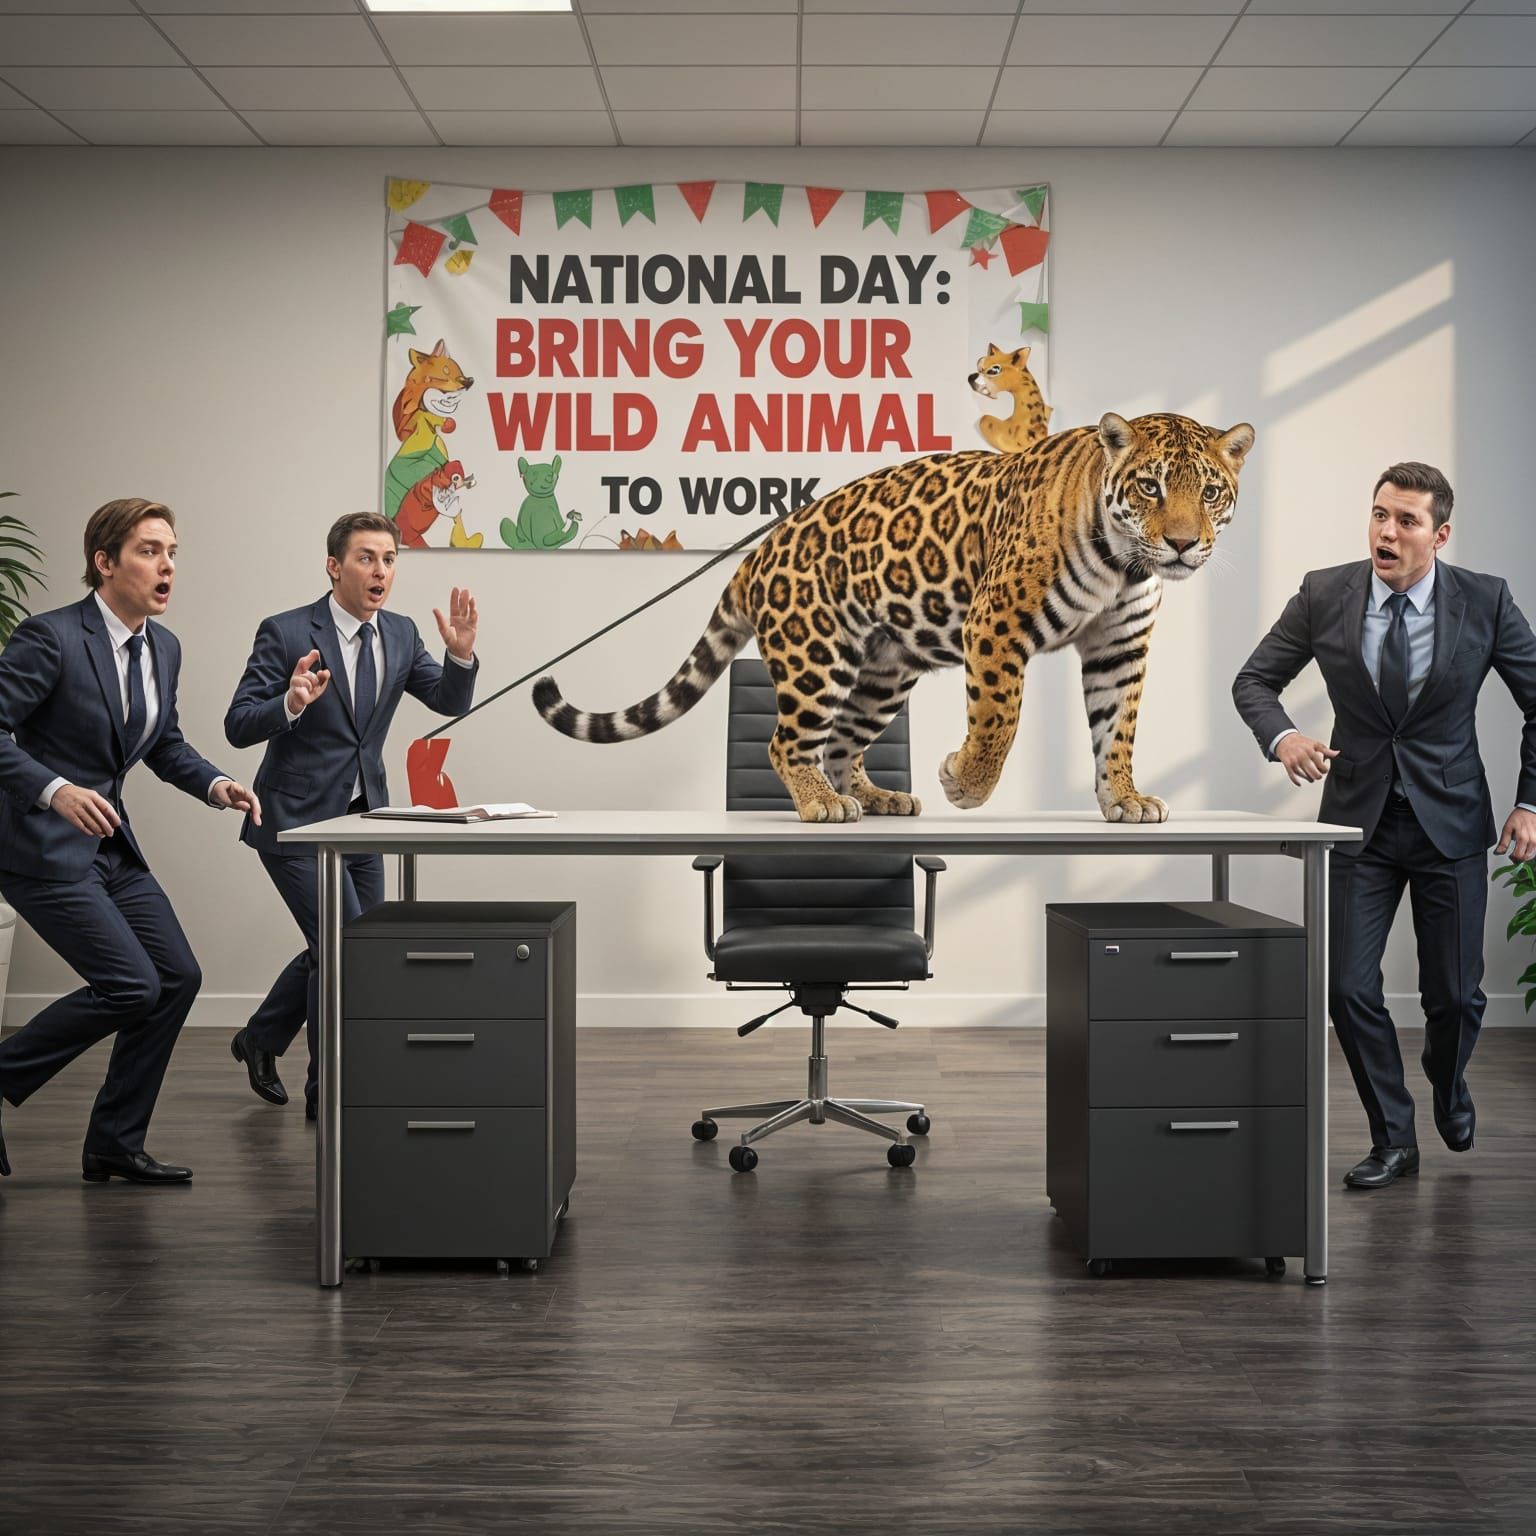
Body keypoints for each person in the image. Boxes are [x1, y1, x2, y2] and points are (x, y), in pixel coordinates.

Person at [1233, 463, 1536, 1189]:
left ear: (1440, 533)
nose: (1386, 532)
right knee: (1347, 988)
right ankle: (1394, 1137)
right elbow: (1254, 680)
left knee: (1456, 997)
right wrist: (1285, 739)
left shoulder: (1485, 602)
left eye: (1405, 521)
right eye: (1378, 515)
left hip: (1452, 823)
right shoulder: (1324, 592)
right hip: (1357, 826)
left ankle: (1448, 1079)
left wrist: (1530, 803)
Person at [0, 499, 260, 1182]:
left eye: (172, 551)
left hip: (110, 849)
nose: (167, 565)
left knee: (177, 978)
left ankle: (114, 1140)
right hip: (39, 849)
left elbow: (164, 745)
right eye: (149, 550)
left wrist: (217, 785)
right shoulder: (49, 637)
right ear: (105, 562)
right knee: (130, 985)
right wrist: (54, 788)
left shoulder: (163, 648)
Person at [224, 511, 478, 1118]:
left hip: (366, 819)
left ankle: (260, 1038)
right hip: (295, 821)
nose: (380, 571)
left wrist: (461, 657)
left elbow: (445, 700)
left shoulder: (399, 632)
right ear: (335, 566)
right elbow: (237, 724)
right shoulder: (286, 632)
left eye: (389, 559)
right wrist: (287, 703)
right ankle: (328, 1089)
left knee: (355, 942)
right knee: (343, 947)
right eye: (366, 558)